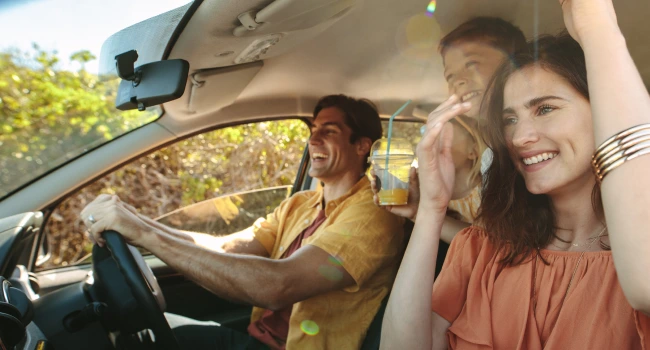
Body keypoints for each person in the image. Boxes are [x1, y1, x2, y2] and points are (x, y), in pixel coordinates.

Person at [381, 0, 650, 348]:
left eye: (545, 108)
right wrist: (431, 208)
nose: (520, 138)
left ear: (603, 109)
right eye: (509, 119)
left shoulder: (636, 258)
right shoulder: (480, 250)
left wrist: (596, 26)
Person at [82, 94, 405, 350]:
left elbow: (280, 286)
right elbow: (230, 246)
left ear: (362, 146)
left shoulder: (373, 212)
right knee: (138, 338)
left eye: (329, 131)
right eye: (313, 130)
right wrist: (139, 224)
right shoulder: (301, 202)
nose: (313, 139)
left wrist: (143, 233)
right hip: (257, 339)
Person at [372, 17, 526, 242]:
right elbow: (487, 243)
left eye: (471, 65)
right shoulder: (491, 157)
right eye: (450, 76)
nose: (459, 81)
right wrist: (418, 211)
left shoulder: (527, 142)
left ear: (513, 65)